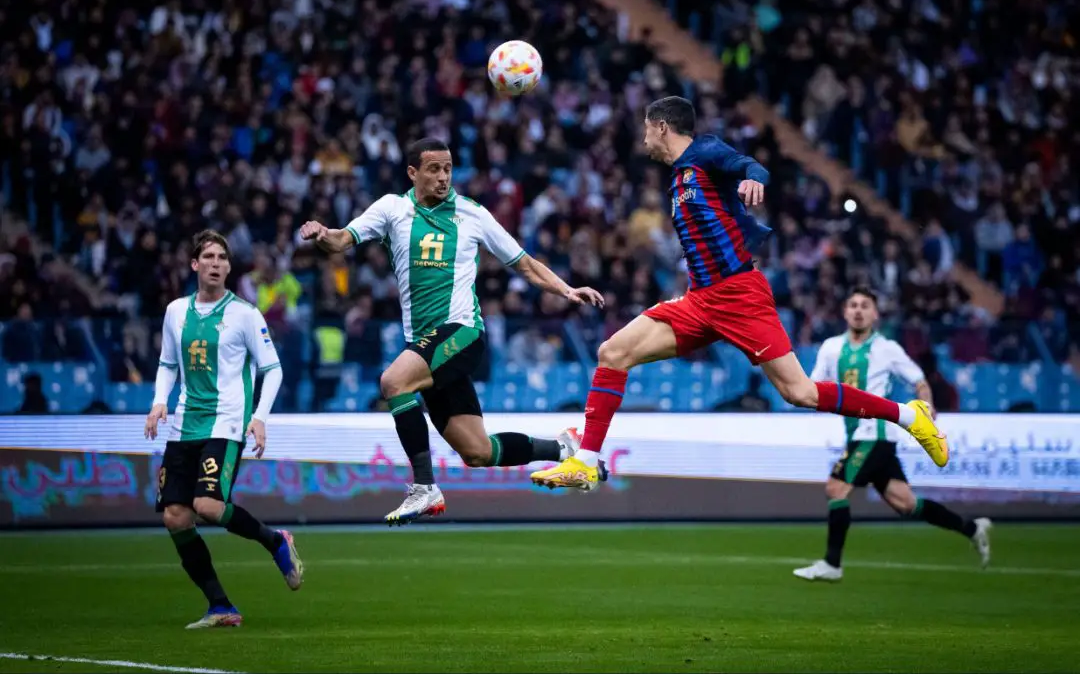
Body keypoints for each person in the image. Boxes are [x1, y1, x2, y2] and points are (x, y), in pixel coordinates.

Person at [531, 97, 949, 491]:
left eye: (645, 130)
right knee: (612, 352)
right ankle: (586, 461)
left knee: (799, 392)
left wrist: (752, 178)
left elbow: (751, 165)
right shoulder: (677, 178)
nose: (642, 139)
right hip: (699, 300)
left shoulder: (705, 153)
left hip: (739, 295)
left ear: (661, 127)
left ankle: (908, 415)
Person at [300, 138, 605, 525]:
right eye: (433, 169)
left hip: (462, 333)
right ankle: (562, 447)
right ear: (413, 173)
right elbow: (342, 239)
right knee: (478, 453)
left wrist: (566, 289)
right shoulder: (392, 209)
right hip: (426, 345)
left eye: (447, 168)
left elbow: (523, 263)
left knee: (394, 382)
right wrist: (323, 233)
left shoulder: (472, 214)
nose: (443, 177)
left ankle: (424, 488)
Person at [145, 230, 303, 629]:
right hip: (183, 424)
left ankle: (275, 541)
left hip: (226, 421)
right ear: (195, 264)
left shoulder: (245, 314)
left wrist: (260, 417)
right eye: (208, 257)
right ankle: (220, 606)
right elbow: (167, 364)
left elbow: (273, 368)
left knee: (208, 507)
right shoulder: (175, 312)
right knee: (176, 518)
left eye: (222, 258)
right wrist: (159, 401)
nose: (216, 263)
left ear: (230, 267)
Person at [794, 288, 991, 580]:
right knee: (905, 503)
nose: (859, 310)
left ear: (875, 313)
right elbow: (813, 386)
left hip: (876, 432)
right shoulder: (831, 348)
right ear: (845, 312)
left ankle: (832, 564)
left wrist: (927, 406)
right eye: (853, 305)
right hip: (856, 434)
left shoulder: (887, 348)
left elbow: (919, 380)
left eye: (865, 305)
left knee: (836, 488)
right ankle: (973, 529)